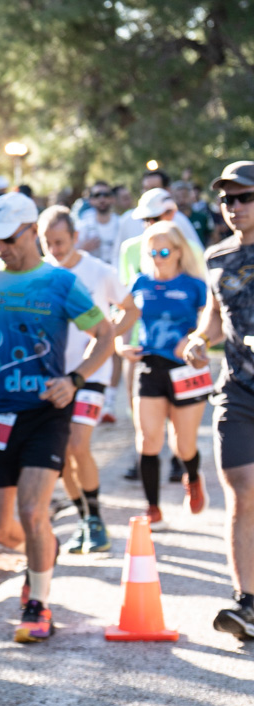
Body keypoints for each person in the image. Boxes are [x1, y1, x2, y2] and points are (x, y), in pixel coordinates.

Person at [0, 192, 113, 643]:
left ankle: (38, 604)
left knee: (31, 510)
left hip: (46, 411)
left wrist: (75, 379)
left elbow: (104, 334)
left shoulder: (60, 282)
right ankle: (44, 548)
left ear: (30, 232)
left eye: (7, 238)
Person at [38, 206, 139, 553]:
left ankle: (95, 520)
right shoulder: (39, 274)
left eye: (60, 242)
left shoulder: (99, 271)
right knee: (62, 454)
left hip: (91, 372)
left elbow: (131, 308)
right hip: (52, 376)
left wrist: (107, 338)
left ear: (76, 237)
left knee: (77, 444)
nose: (55, 249)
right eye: (48, 243)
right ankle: (84, 519)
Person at [185, 162, 254, 640]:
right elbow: (214, 315)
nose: (235, 207)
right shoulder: (217, 257)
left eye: (245, 197)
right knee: (242, 490)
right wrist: (198, 339)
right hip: (237, 390)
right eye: (227, 200)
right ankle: (246, 603)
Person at [120, 221, 210, 528]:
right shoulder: (140, 283)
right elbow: (122, 318)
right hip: (150, 366)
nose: (157, 258)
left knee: (183, 445)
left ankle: (193, 477)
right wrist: (120, 345)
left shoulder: (194, 286)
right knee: (148, 440)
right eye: (152, 252)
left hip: (185, 370)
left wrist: (194, 339)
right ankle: (153, 508)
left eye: (163, 252)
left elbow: (211, 324)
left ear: (178, 251)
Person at [118, 187, 205, 287]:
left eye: (155, 218)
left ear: (171, 213)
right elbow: (125, 286)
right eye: (145, 219)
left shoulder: (193, 249)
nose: (150, 223)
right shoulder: (129, 248)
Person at [76, 181, 121, 264]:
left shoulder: (120, 223)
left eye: (106, 195)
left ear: (112, 199)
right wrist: (83, 249)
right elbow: (70, 253)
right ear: (91, 200)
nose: (102, 199)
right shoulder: (82, 225)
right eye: (97, 195)